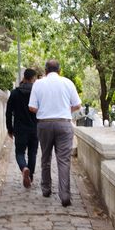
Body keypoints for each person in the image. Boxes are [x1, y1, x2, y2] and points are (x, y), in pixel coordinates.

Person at [28, 59, 81, 207]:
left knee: (45, 157)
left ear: (45, 71)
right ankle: (65, 195)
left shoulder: (38, 84)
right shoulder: (68, 82)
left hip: (44, 124)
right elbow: (77, 105)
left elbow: (32, 107)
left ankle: (46, 189)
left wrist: (45, 111)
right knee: (63, 160)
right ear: (59, 70)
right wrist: (66, 110)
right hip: (63, 123)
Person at [6, 68, 38, 188]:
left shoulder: (15, 93)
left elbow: (8, 112)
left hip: (20, 129)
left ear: (24, 77)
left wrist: (9, 129)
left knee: (19, 152)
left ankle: (24, 168)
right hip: (35, 128)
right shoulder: (37, 93)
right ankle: (30, 176)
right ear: (34, 79)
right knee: (32, 153)